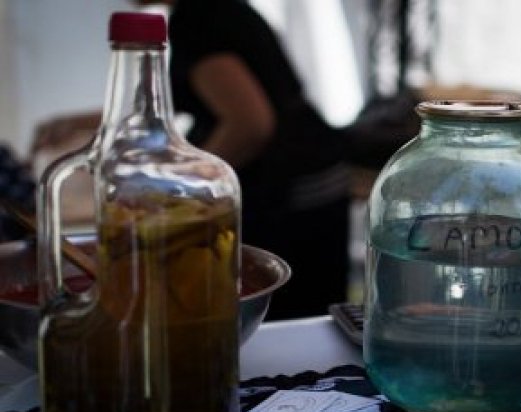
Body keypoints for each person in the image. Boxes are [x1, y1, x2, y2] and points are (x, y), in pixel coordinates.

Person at [32, 0, 351, 320]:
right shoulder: (212, 11)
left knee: (284, 319)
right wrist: (77, 122)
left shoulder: (198, 18)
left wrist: (181, 188)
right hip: (310, 171)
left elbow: (250, 124)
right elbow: (172, 102)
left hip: (289, 191)